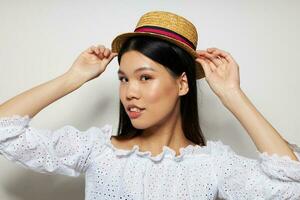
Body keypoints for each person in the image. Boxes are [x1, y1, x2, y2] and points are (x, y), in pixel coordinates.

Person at [0, 10, 299, 200]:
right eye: (123, 79)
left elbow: (292, 185)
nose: (129, 92)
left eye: (145, 78)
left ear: (182, 84)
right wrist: (72, 78)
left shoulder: (212, 165)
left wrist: (233, 95)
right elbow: (4, 130)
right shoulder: (98, 150)